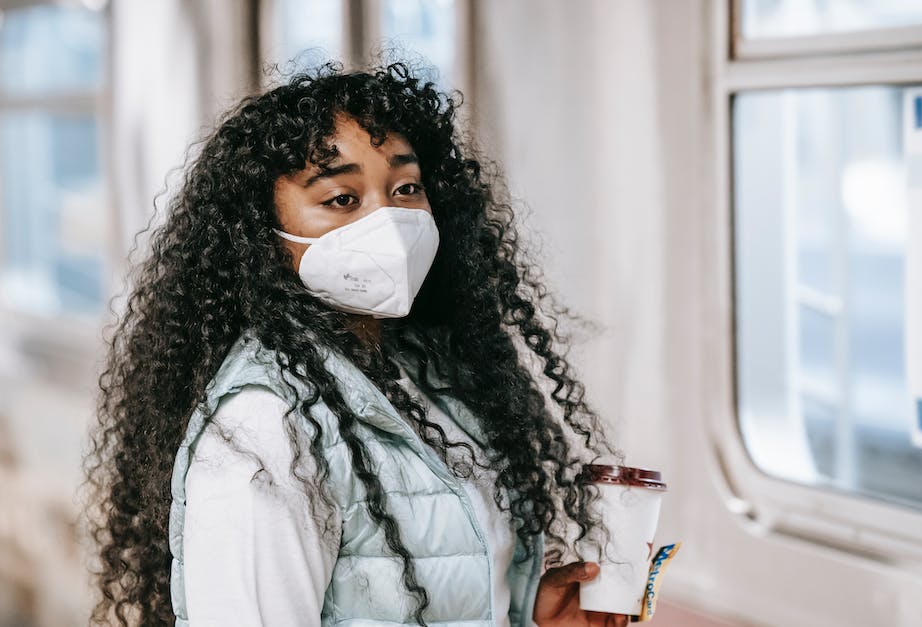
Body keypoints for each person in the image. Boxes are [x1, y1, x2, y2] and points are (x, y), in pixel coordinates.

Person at [85, 60, 627, 627]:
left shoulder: (431, 374)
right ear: (260, 233)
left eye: (406, 188)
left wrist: (525, 614)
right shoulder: (261, 429)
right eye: (342, 198)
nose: (389, 221)